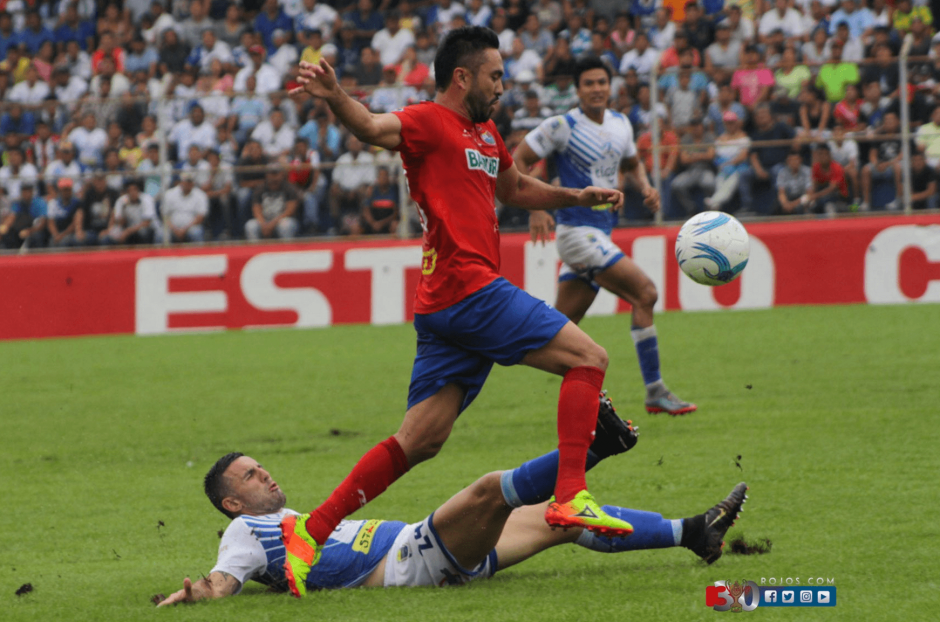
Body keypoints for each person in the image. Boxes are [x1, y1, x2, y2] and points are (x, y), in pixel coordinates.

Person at [281, 27, 633, 599]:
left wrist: (575, 197)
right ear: (463, 77)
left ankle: (310, 530)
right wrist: (337, 95)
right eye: (495, 76)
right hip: (469, 288)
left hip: (444, 303)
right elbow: (371, 127)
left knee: (419, 439)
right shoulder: (426, 120)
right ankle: (570, 495)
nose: (503, 86)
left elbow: (513, 189)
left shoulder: (486, 133)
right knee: (588, 358)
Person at [157, 403, 748, 604]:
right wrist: (200, 593)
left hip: (426, 551)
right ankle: (596, 445)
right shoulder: (243, 535)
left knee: (561, 521)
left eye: (260, 466)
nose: (265, 474)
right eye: (250, 476)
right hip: (406, 565)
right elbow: (223, 580)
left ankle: (694, 532)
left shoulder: (282, 523)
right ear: (232, 503)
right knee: (490, 488)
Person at [515, 56, 693, 415]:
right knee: (646, 293)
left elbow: (631, 163)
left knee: (557, 332)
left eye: (602, 82)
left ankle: (494, 349)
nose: (596, 89)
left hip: (600, 232)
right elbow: (517, 159)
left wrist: (646, 186)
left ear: (610, 87)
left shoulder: (620, 123)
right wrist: (535, 208)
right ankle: (655, 391)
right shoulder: (562, 126)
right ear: (577, 89)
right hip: (576, 233)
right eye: (589, 83)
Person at [245, 169, 301, 241]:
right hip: (264, 220)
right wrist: (263, 224)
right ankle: (255, 247)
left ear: (282, 174)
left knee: (286, 226)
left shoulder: (289, 188)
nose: (274, 177)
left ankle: (287, 247)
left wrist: (272, 224)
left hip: (282, 219)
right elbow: (256, 209)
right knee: (250, 226)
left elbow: (290, 211)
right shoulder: (260, 188)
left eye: (276, 174)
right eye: (271, 174)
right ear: (267, 175)